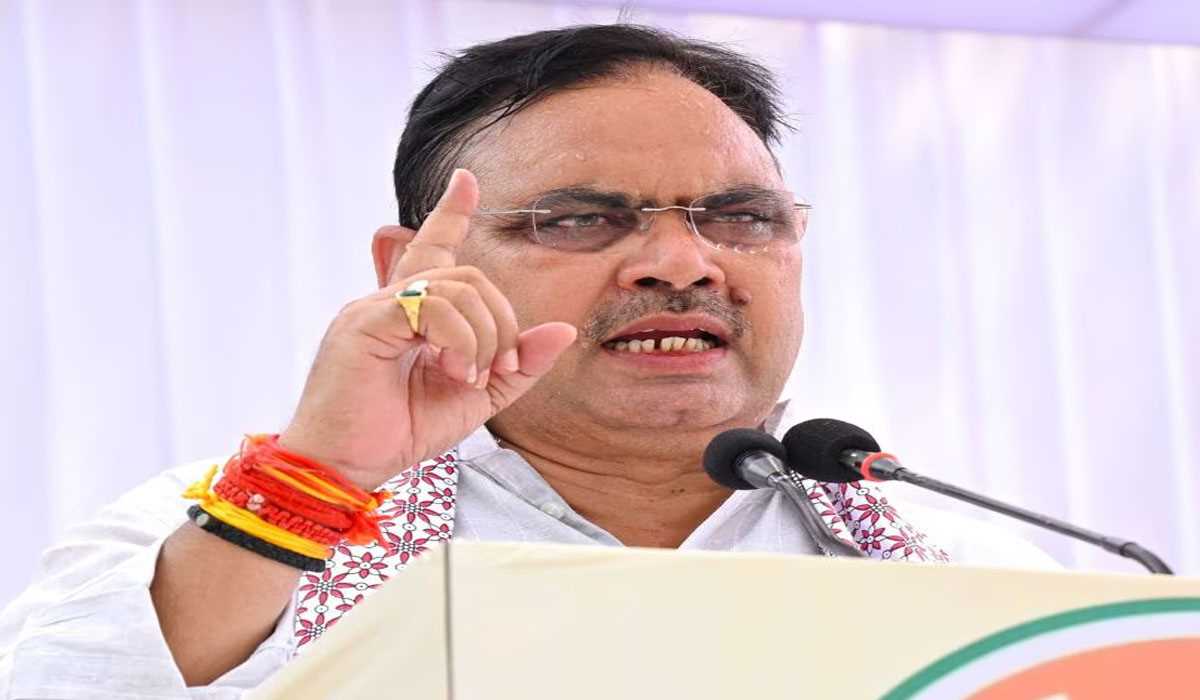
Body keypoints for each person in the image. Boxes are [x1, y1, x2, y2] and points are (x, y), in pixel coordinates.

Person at [0, 23, 1056, 698]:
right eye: (581, 219)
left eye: (740, 217)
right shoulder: (220, 534)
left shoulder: (982, 575)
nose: (681, 263)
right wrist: (321, 474)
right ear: (414, 268)